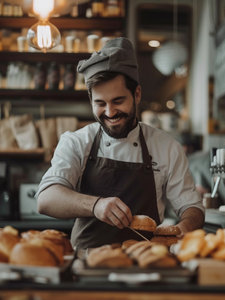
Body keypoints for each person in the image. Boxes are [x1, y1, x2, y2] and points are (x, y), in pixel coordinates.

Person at [36, 37, 204, 249]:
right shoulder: (77, 142)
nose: (109, 112)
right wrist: (96, 205)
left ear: (137, 94)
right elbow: (46, 198)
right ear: (90, 101)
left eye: (118, 101)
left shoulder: (166, 147)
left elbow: (191, 207)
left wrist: (186, 227)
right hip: (88, 265)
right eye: (100, 103)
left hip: (147, 264)